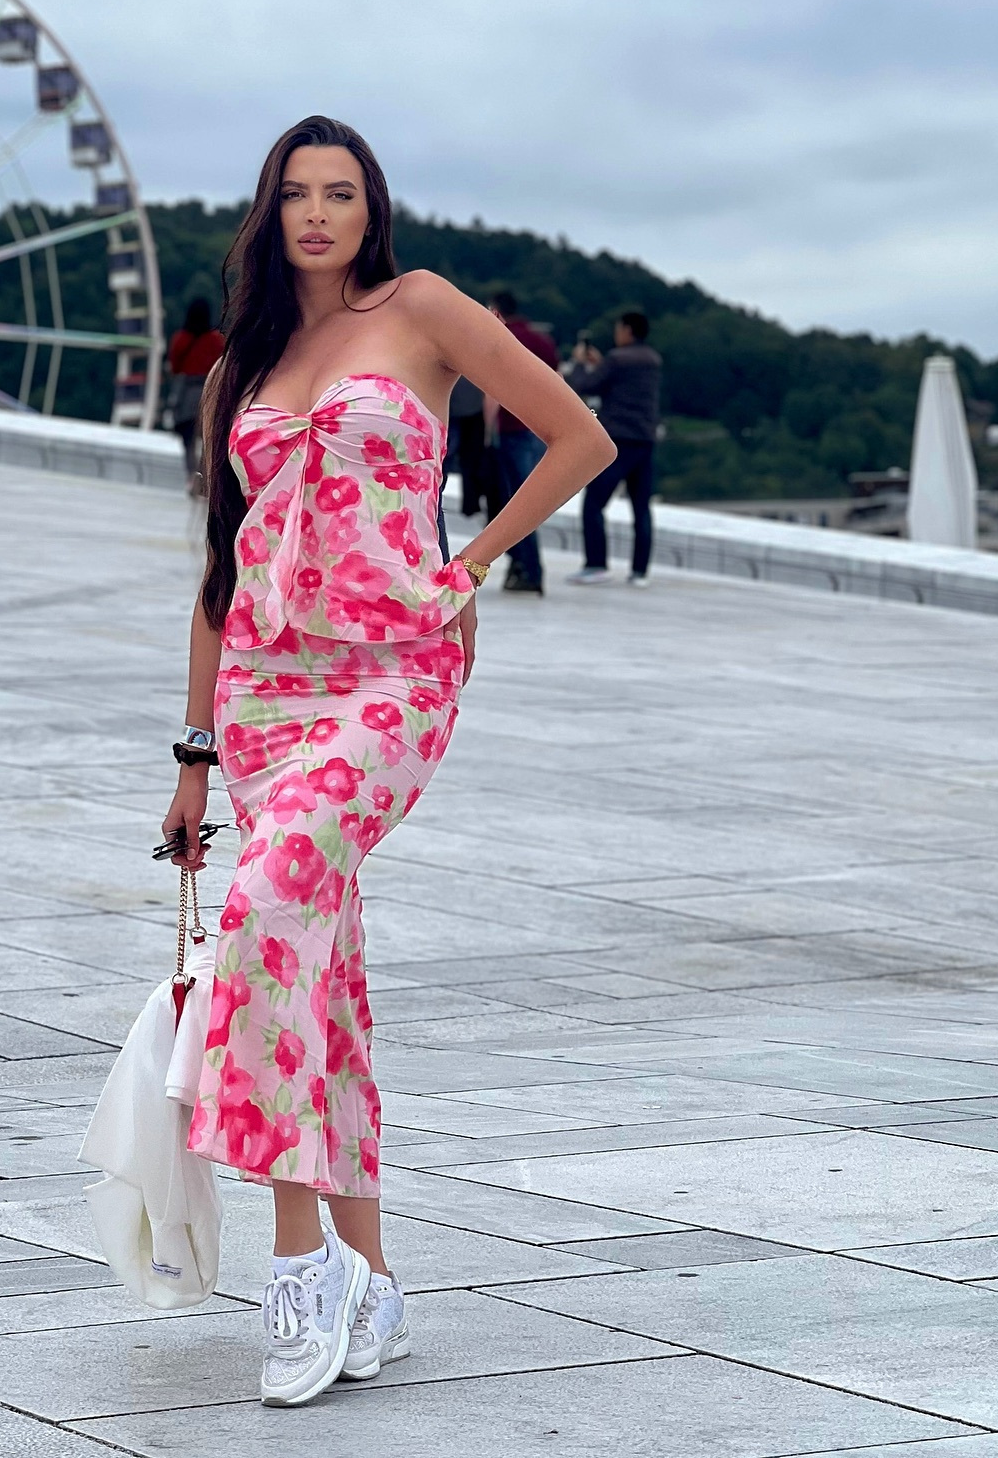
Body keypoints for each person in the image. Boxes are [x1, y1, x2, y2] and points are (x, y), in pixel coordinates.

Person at [161, 115, 614, 1409]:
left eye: (341, 193)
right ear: (270, 212)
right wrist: (193, 757)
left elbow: (580, 438)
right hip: (265, 691)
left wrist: (468, 566)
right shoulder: (240, 367)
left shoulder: (420, 309)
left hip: (393, 676)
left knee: (265, 910)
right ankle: (374, 1277)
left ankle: (297, 1265)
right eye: (297, 194)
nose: (318, 214)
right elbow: (218, 572)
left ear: (373, 210)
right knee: (320, 970)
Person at [566, 309, 662, 585]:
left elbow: (584, 385)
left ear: (628, 330)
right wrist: (602, 364)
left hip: (619, 439)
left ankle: (596, 564)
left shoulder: (618, 359)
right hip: (645, 439)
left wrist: (580, 363)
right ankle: (639, 571)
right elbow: (622, 383)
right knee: (641, 508)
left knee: (594, 503)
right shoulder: (653, 360)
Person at [484, 290, 560, 595]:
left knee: (515, 504)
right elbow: (558, 382)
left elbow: (492, 390)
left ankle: (528, 569)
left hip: (513, 428)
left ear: (496, 310)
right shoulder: (543, 341)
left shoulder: (502, 339)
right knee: (533, 500)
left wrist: (487, 433)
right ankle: (527, 567)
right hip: (541, 429)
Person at [166, 297, 226, 494]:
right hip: (210, 391)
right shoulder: (216, 340)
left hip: (186, 394)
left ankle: (191, 477)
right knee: (208, 438)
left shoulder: (180, 339)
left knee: (188, 439)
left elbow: (175, 367)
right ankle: (204, 476)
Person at [446, 373, 490, 516]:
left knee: (452, 458)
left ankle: (470, 503)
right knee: (467, 459)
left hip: (459, 408)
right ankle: (470, 504)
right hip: (467, 408)